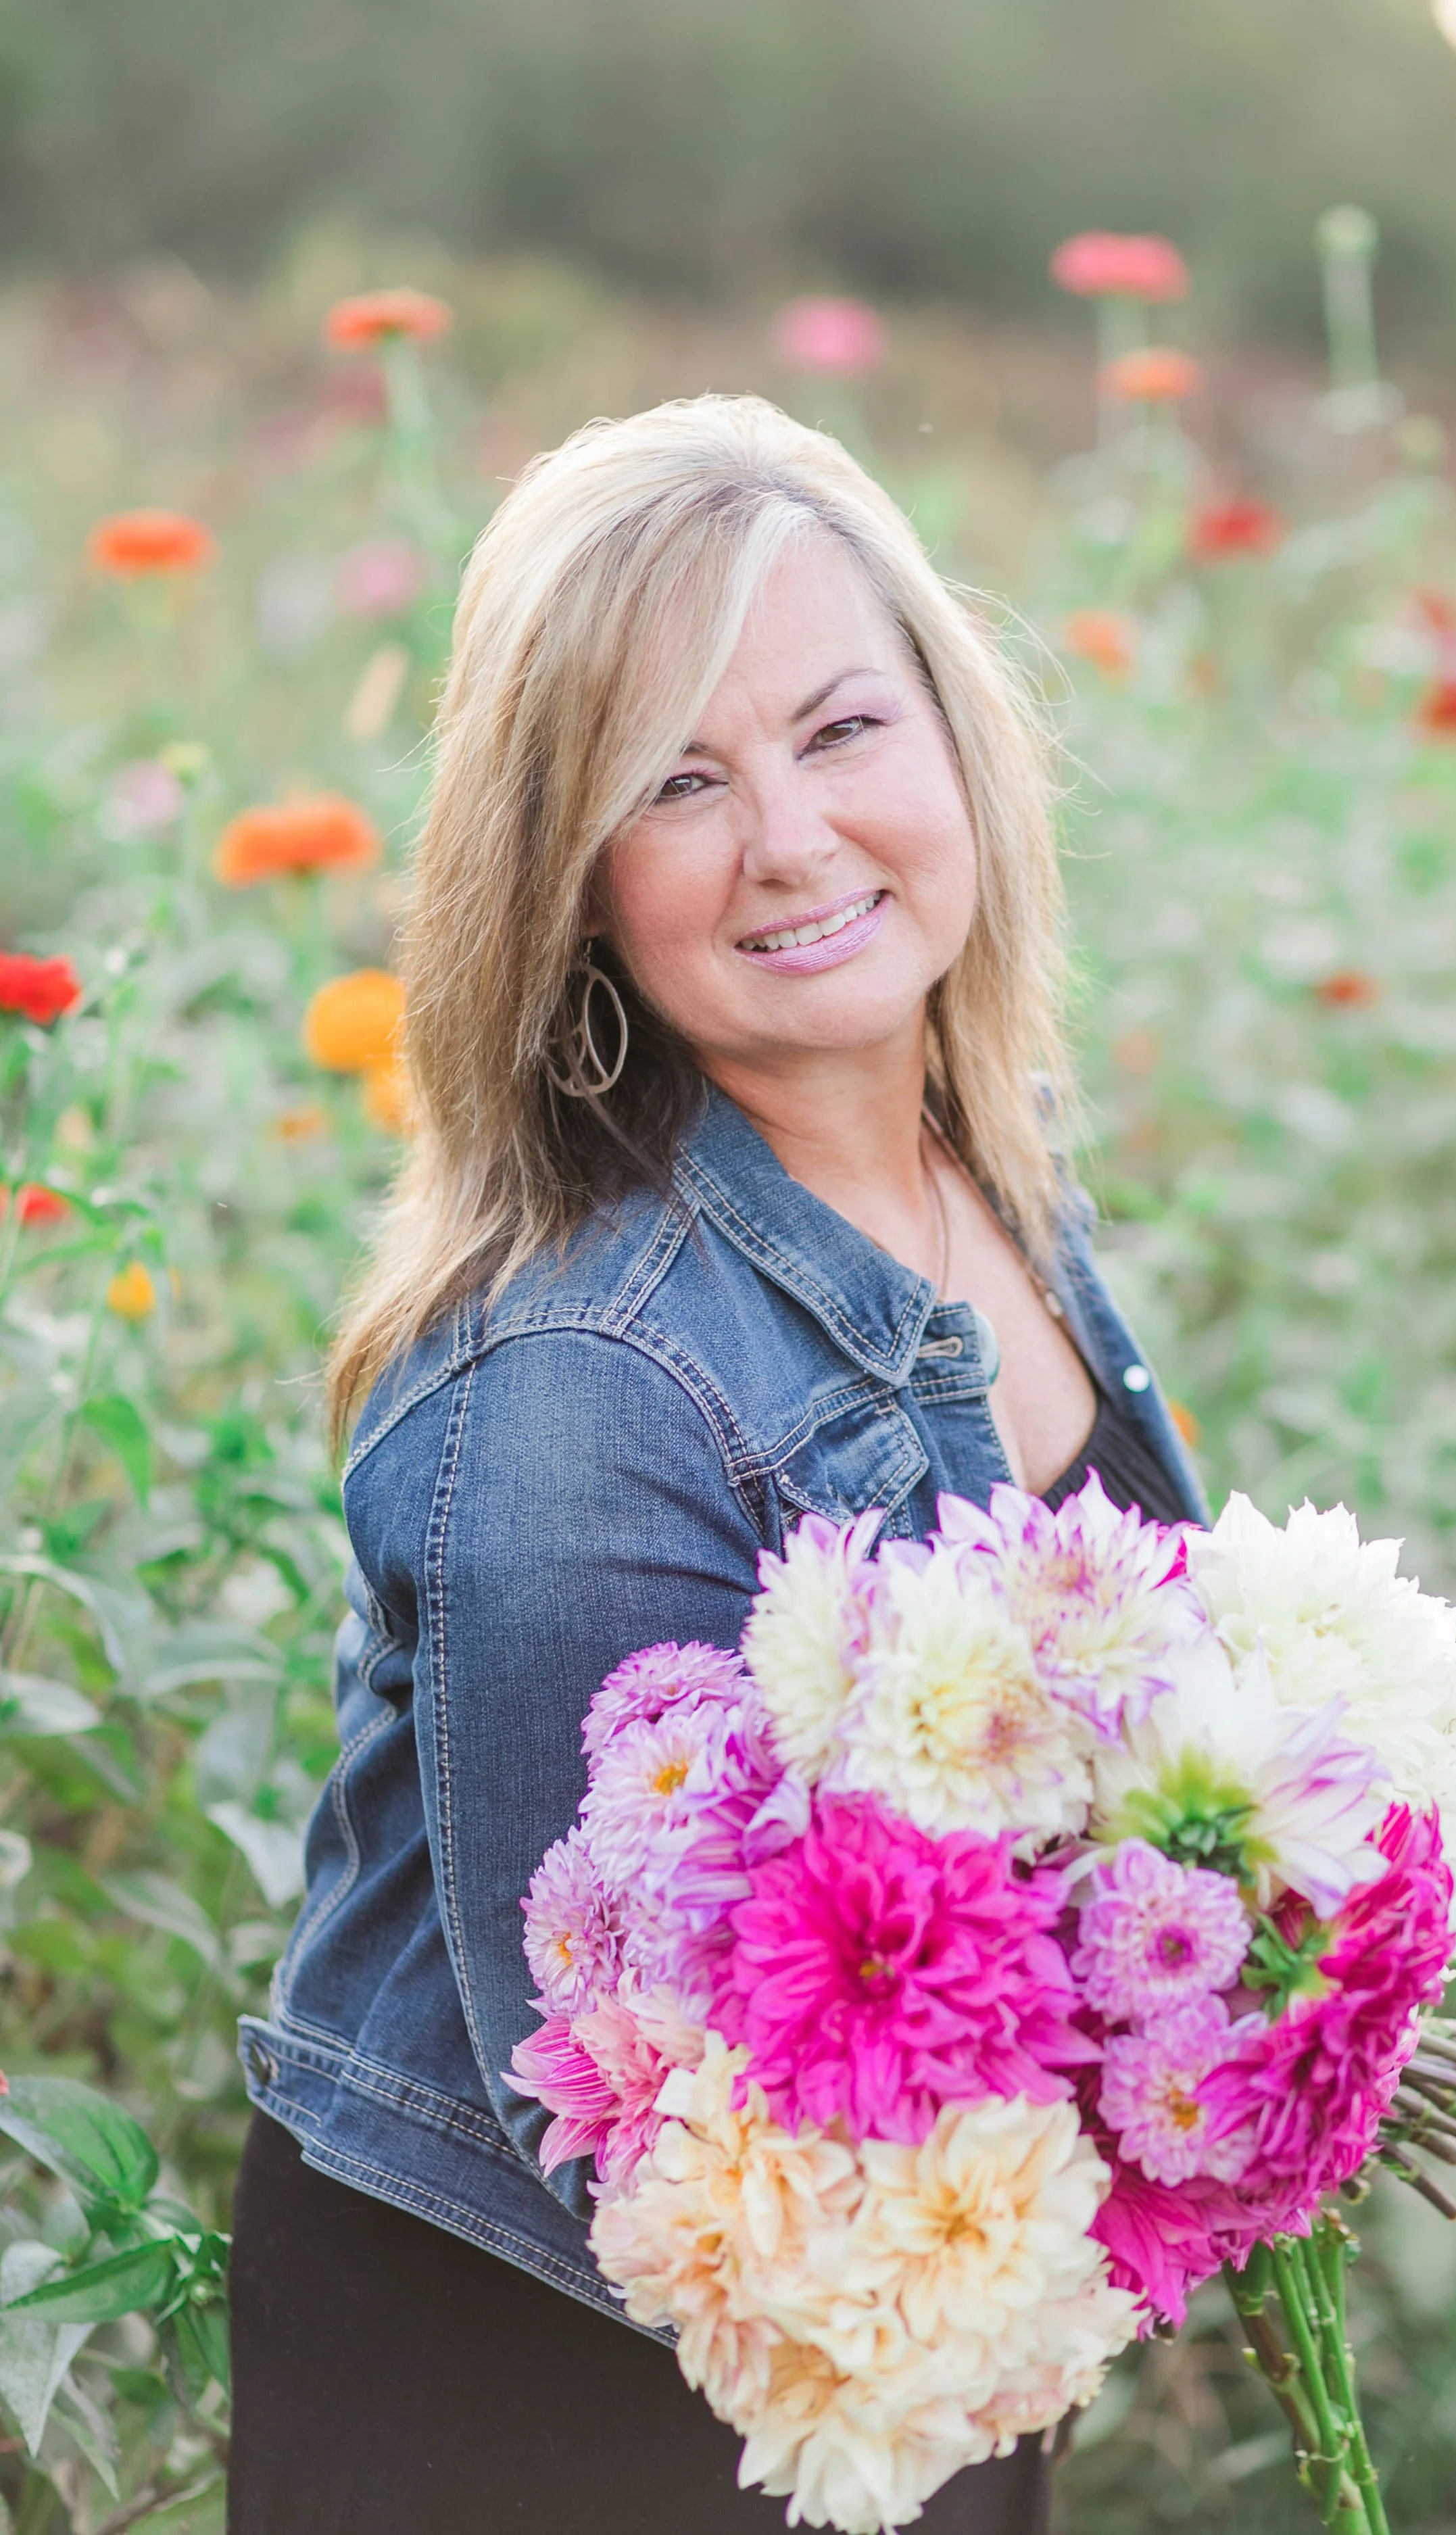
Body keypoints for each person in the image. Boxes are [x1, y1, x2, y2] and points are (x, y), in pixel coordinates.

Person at [228, 395, 1204, 2532]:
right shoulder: (581, 1381)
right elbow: (646, 2141)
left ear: (956, 740)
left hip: (924, 2325)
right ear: (568, 879)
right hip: (562, 2391)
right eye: (675, 777)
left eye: (842, 727)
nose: (787, 835)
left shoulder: (996, 1171)